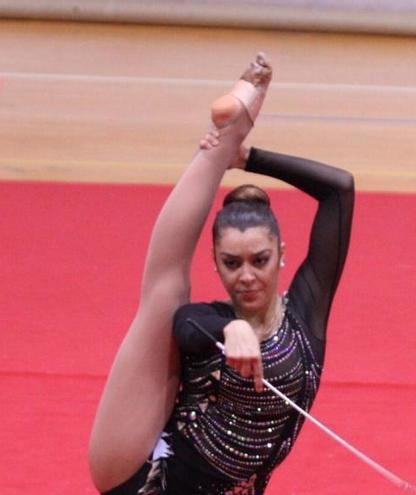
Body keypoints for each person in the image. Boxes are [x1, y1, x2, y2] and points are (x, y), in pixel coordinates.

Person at [90, 54, 356, 494]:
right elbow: (185, 325)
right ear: (216, 263)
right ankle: (227, 131)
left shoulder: (305, 317)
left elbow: (339, 190)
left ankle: (233, 138)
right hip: (140, 475)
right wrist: (232, 327)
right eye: (231, 263)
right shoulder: (208, 320)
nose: (247, 276)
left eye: (260, 260)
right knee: (164, 291)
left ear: (281, 255)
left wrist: (248, 158)